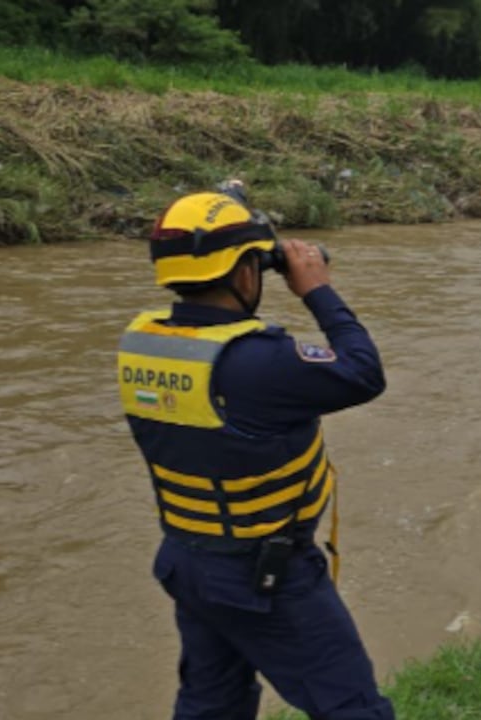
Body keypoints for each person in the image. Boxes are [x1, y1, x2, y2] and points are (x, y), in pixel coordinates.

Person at [117, 183, 395, 718]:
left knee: (211, 703)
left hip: (188, 561)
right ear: (247, 272)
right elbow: (364, 372)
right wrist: (317, 289)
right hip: (266, 576)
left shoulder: (143, 343)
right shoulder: (261, 361)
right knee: (353, 707)